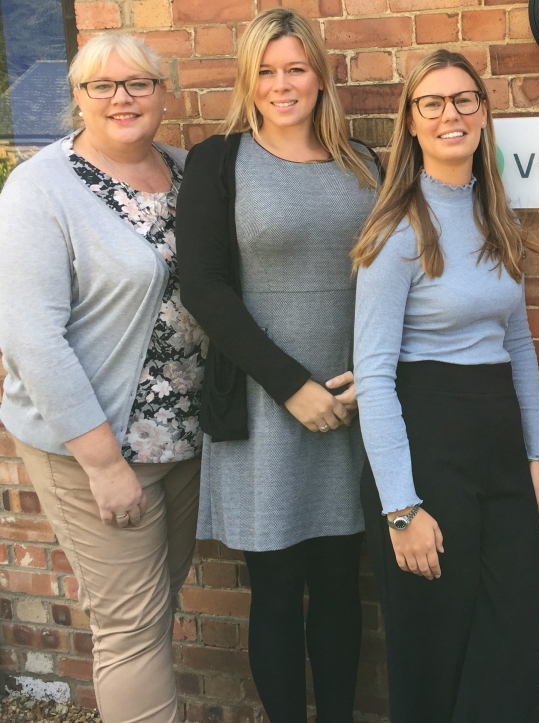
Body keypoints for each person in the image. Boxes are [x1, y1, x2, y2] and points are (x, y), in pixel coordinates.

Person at [175, 9, 379, 723]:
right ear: (247, 80)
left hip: (353, 407)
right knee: (277, 588)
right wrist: (293, 387)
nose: (281, 84)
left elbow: (393, 279)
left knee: (342, 585)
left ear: (320, 77)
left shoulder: (366, 162)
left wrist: (369, 376)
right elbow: (203, 287)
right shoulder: (219, 162)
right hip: (266, 406)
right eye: (265, 71)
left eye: (295, 68)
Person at [0, 34, 201, 723]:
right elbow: (31, 337)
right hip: (96, 444)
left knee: (155, 608)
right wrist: (104, 464)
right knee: (130, 628)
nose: (122, 98)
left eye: (139, 83)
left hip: (182, 438)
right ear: (78, 97)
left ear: (162, 93)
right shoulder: (40, 190)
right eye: (102, 85)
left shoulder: (186, 171)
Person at [351, 49, 539, 723]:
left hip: (499, 443)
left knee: (509, 636)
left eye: (464, 99)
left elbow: (517, 344)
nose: (451, 114)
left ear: (484, 112)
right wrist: (400, 508)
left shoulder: (496, 219)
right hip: (427, 446)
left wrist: (536, 453)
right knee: (435, 646)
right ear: (411, 122)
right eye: (432, 103)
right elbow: (373, 375)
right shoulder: (395, 232)